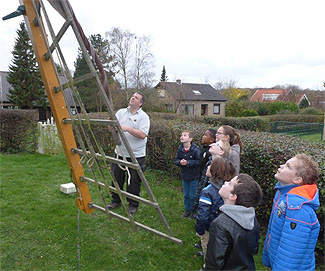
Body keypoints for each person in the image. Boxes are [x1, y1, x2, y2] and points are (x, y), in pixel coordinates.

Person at [262, 154, 320, 271]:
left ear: (297, 179)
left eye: (288, 166)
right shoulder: (282, 194)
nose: (281, 166)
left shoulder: (298, 209)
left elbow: (291, 254)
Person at [205, 174, 262, 271]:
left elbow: (214, 263)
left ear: (233, 196)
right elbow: (254, 249)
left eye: (230, 183)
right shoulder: (252, 219)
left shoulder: (220, 224)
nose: (225, 182)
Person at [107, 92, 150, 216]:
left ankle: (132, 205)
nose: (132, 98)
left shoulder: (143, 117)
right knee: (116, 178)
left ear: (140, 103)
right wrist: (112, 128)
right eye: (132, 96)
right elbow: (111, 127)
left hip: (136, 155)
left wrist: (127, 129)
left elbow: (143, 134)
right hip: (120, 152)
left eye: (136, 97)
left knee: (134, 182)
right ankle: (116, 200)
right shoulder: (120, 113)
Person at [195, 157, 236, 258]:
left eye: (210, 166)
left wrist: (200, 230)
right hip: (224, 229)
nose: (208, 167)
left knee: (207, 249)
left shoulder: (207, 192)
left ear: (215, 172)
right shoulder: (230, 189)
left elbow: (202, 215)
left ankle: (207, 265)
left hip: (209, 228)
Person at [174, 130, 200, 219]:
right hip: (185, 175)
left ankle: (193, 211)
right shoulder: (180, 149)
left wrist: (188, 162)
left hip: (194, 176)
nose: (182, 137)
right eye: (181, 135)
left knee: (192, 195)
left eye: (185, 135)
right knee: (186, 194)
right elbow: (176, 160)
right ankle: (187, 210)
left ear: (190, 139)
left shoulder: (195, 150)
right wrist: (180, 162)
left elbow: (198, 162)